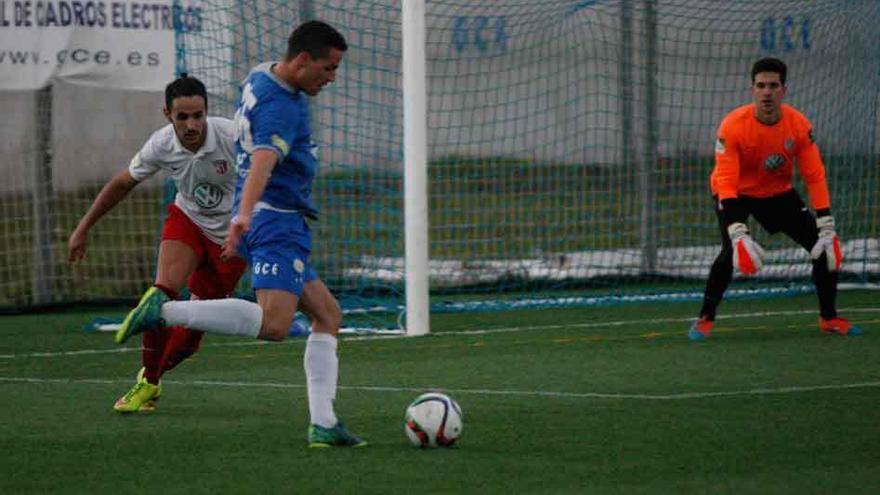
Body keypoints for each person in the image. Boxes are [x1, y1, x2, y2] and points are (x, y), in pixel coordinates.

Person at [113, 21, 365, 448]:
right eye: (328, 67)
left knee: (327, 315)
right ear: (303, 60)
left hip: (283, 219)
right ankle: (165, 312)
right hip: (276, 220)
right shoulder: (282, 108)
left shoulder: (261, 75)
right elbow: (264, 159)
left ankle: (324, 422)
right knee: (274, 324)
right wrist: (243, 216)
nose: (331, 77)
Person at [68, 75, 245, 411]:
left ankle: (153, 374)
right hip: (188, 222)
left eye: (198, 115)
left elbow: (266, 177)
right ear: (167, 114)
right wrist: (83, 227)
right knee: (160, 295)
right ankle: (148, 383)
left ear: (207, 111)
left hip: (231, 239)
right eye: (182, 117)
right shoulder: (161, 144)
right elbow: (122, 183)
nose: (191, 124)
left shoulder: (233, 136)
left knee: (189, 340)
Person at [688, 57, 862, 341]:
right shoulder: (732, 126)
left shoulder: (799, 126)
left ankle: (829, 317)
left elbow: (815, 175)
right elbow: (726, 179)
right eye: (760, 86)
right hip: (736, 193)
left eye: (773, 85)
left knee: (824, 247)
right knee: (728, 252)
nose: (766, 92)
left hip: (777, 193)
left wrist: (826, 223)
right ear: (752, 90)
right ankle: (705, 318)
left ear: (784, 90)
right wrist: (737, 231)